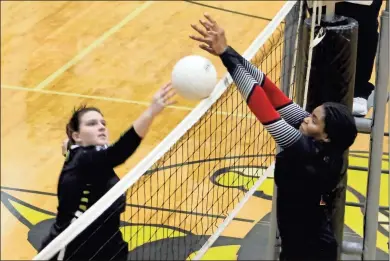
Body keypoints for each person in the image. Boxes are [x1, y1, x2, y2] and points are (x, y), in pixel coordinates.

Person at [189, 13, 358, 261]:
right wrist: (227, 51)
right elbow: (272, 93)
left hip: (308, 254)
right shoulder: (319, 141)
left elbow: (261, 105)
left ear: (326, 136)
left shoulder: (303, 149)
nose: (305, 118)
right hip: (308, 246)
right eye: (311, 114)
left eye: (313, 120)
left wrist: (226, 54)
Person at [39, 82, 176, 260]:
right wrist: (150, 113)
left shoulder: (86, 156)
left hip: (108, 246)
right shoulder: (82, 159)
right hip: (73, 251)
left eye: (103, 123)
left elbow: (87, 155)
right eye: (92, 124)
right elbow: (118, 153)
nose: (101, 126)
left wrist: (70, 147)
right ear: (77, 136)